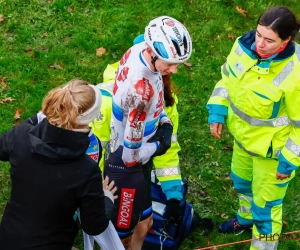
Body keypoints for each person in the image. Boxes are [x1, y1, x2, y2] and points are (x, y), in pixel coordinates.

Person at [206, 6, 300, 250]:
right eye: (258, 35)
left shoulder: (296, 73)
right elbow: (226, 79)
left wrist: (289, 161)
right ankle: (245, 220)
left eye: (269, 40)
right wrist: (217, 110)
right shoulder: (242, 46)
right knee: (242, 183)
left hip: (274, 155)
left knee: (266, 210)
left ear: (287, 40)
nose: (260, 43)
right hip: (243, 140)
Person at [103, 16, 192, 249]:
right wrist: (159, 145)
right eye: (170, 63)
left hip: (137, 165)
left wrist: (163, 118)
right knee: (123, 238)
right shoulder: (140, 94)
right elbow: (130, 157)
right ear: (153, 51)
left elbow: (158, 101)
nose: (174, 69)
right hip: (126, 169)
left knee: (146, 222)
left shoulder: (139, 49)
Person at [0, 80, 122, 250]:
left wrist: (37, 119)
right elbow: (94, 225)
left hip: (9, 239)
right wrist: (107, 198)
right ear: (90, 118)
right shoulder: (86, 171)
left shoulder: (20, 136)